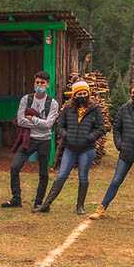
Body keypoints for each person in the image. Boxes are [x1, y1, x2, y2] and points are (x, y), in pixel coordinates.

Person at [90, 80, 134, 223]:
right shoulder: (125, 109)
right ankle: (102, 208)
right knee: (116, 180)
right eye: (133, 93)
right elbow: (117, 128)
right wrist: (120, 144)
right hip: (126, 152)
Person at [33, 80, 106, 215]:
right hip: (70, 149)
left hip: (87, 149)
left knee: (83, 177)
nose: (82, 95)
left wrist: (89, 138)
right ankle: (46, 204)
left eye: (85, 93)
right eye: (79, 93)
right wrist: (67, 136)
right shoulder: (67, 109)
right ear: (74, 95)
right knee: (61, 176)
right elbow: (60, 126)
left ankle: (80, 206)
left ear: (88, 94)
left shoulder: (94, 109)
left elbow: (101, 128)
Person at [2, 71, 58, 209]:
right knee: (15, 167)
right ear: (34, 84)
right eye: (37, 83)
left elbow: (49, 125)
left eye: (42, 83)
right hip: (28, 139)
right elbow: (20, 121)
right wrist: (40, 122)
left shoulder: (53, 103)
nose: (39, 85)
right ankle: (16, 199)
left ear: (47, 85)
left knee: (43, 173)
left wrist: (32, 118)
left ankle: (39, 202)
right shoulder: (26, 100)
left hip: (44, 140)